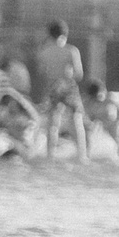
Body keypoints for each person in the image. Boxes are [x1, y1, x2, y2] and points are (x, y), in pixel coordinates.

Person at [35, 21, 90, 162]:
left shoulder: (44, 52)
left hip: (52, 86)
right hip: (68, 85)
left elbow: (41, 72)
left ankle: (50, 156)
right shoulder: (71, 51)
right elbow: (79, 74)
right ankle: (82, 156)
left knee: (52, 122)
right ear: (65, 34)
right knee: (76, 120)